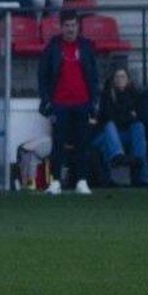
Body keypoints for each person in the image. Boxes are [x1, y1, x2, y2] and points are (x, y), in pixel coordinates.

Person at [38, 10, 99, 194]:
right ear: (61, 27)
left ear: (78, 27)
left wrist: (94, 101)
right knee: (58, 143)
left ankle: (82, 180)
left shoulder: (86, 46)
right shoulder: (53, 47)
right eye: (67, 26)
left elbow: (94, 76)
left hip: (83, 102)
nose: (70, 29)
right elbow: (43, 75)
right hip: (60, 103)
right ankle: (55, 181)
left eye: (73, 25)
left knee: (83, 143)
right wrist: (47, 101)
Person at [91, 64, 148, 188]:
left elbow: (140, 116)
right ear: (113, 79)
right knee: (110, 126)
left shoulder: (135, 94)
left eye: (123, 76)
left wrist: (122, 116)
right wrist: (129, 115)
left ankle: (138, 163)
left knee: (138, 127)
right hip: (106, 135)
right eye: (117, 76)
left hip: (124, 134)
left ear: (128, 79)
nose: (120, 79)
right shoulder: (106, 95)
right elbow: (106, 117)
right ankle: (118, 155)